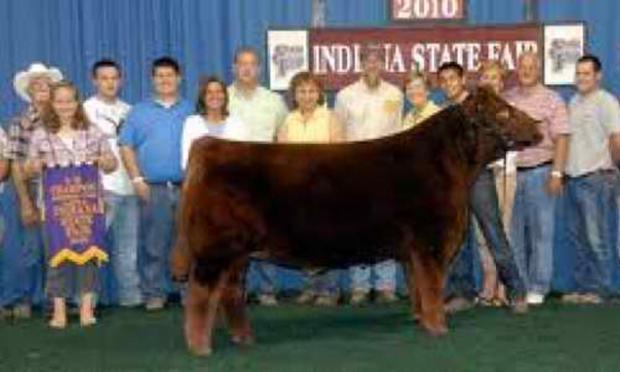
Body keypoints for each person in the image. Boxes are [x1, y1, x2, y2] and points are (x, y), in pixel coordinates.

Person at [24, 80, 117, 328]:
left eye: (69, 100)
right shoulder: (40, 134)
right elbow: (27, 169)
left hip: (87, 207)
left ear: (77, 103)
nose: (65, 105)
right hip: (54, 209)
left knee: (88, 258)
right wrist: (37, 165)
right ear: (52, 104)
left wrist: (103, 160)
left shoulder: (93, 131)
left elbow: (112, 164)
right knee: (57, 258)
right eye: (59, 101)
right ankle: (59, 311)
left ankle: (87, 308)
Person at [438, 61, 528, 314]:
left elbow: (497, 138)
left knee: (493, 232)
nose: (448, 84)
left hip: (479, 176)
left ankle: (516, 291)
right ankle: (462, 293)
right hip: (454, 180)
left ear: (463, 79)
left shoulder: (481, 106)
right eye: (443, 80)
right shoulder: (444, 112)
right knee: (458, 237)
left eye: (452, 78)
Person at [119, 57, 193, 311]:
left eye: (169, 75)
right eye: (159, 75)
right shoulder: (138, 111)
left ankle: (189, 292)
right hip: (154, 187)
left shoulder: (192, 109)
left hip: (188, 187)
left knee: (188, 241)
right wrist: (136, 179)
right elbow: (125, 145)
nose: (165, 80)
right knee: (153, 243)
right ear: (152, 79)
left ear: (179, 78)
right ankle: (154, 293)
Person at [334, 43, 403, 305]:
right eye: (367, 60)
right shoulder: (345, 96)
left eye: (377, 60)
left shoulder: (395, 94)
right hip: (354, 171)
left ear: (384, 63)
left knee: (387, 227)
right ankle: (359, 286)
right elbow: (339, 134)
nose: (372, 64)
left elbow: (398, 133)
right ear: (360, 63)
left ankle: (386, 285)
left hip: (386, 171)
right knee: (357, 228)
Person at [504, 51, 570, 305]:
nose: (527, 70)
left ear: (539, 69)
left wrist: (557, 172)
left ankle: (539, 287)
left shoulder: (552, 99)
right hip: (511, 174)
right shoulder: (507, 99)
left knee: (542, 233)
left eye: (531, 66)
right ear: (517, 69)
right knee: (514, 234)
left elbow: (563, 137)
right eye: (522, 66)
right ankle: (520, 285)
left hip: (541, 171)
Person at [277, 71, 344, 306]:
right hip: (297, 191)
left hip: (326, 189)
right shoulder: (288, 121)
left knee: (330, 239)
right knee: (304, 240)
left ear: (320, 94)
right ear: (294, 95)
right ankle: (310, 288)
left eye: (312, 91)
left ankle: (330, 290)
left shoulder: (331, 118)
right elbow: (281, 157)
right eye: (302, 91)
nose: (307, 96)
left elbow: (339, 156)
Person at [1, 63, 62, 320]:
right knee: (30, 248)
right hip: (32, 187)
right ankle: (22, 297)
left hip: (61, 188)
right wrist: (26, 202)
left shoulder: (64, 120)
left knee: (59, 246)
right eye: (36, 85)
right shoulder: (20, 123)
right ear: (28, 91)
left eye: (46, 84)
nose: (42, 89)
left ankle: (55, 301)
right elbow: (14, 163)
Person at [228, 47, 288, 306]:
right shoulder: (222, 97)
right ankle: (235, 289)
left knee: (267, 232)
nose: (247, 68)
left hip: (266, 178)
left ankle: (268, 289)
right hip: (233, 178)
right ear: (234, 68)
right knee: (234, 234)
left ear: (260, 69)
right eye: (242, 64)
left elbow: (282, 138)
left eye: (252, 64)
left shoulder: (274, 101)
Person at [83, 59, 142, 307]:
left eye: (114, 78)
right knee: (91, 247)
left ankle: (130, 298)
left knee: (128, 249)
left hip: (129, 188)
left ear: (120, 80)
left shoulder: (130, 110)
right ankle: (86, 301)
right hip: (99, 187)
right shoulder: (85, 109)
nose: (109, 82)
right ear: (94, 80)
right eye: (104, 78)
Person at [562, 55, 620, 304]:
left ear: (598, 76)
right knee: (578, 238)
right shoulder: (573, 101)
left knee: (598, 238)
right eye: (579, 73)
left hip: (597, 177)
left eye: (586, 73)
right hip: (573, 178)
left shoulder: (607, 101)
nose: (581, 78)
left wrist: (613, 168)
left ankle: (603, 290)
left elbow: (616, 139)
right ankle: (583, 287)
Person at [476, 60, 514, 306]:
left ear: (501, 82)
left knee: (503, 230)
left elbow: (514, 141)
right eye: (485, 77)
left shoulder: (509, 109)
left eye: (494, 77)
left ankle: (505, 285)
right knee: (482, 234)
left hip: (503, 174)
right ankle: (489, 283)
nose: (490, 81)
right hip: (480, 176)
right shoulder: (476, 111)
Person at [181, 75, 248, 169]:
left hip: (231, 181)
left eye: (219, 92)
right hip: (201, 181)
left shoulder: (237, 124)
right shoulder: (192, 123)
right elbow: (186, 162)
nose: (214, 96)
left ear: (225, 96)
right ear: (203, 97)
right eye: (209, 92)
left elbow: (243, 159)